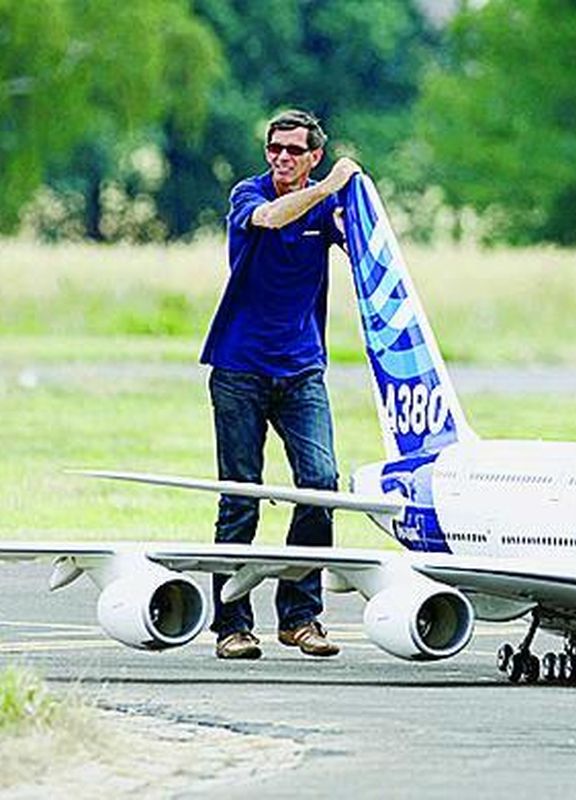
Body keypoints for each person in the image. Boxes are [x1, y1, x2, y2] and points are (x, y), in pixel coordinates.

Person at [200, 109, 361, 660]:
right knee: (241, 495)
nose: (283, 158)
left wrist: (352, 200)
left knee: (320, 484)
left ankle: (300, 616)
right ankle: (232, 626)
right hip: (239, 366)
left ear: (314, 155)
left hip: (301, 368)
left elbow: (363, 245)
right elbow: (269, 219)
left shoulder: (327, 201)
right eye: (276, 148)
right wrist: (333, 186)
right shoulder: (249, 195)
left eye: (295, 150)